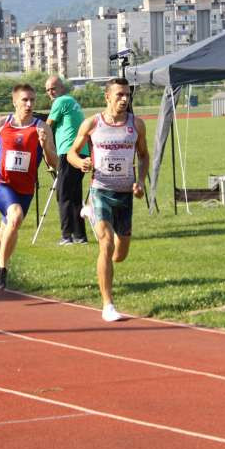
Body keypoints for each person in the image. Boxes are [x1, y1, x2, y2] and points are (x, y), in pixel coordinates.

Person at [67, 78, 149, 322]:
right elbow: (71, 152)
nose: (124, 99)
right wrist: (80, 162)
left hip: (125, 194)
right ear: (107, 97)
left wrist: (141, 181)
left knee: (119, 254)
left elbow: (144, 156)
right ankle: (108, 305)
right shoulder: (92, 123)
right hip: (100, 189)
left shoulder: (137, 125)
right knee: (106, 243)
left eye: (127, 95)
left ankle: (92, 215)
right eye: (119, 95)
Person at [0, 83, 58, 290]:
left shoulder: (41, 127)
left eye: (32, 100)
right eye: (25, 100)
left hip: (25, 189)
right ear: (14, 102)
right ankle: (2, 270)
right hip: (1, 184)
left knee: (8, 226)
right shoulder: (1, 121)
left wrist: (44, 146)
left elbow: (54, 163)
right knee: (15, 216)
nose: (29, 104)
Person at [45, 76, 88, 246]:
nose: (50, 92)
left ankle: (66, 236)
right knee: (75, 195)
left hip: (68, 152)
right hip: (82, 152)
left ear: (62, 88)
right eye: (47, 90)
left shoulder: (60, 101)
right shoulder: (72, 101)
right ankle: (80, 236)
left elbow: (48, 125)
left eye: (53, 88)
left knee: (63, 194)